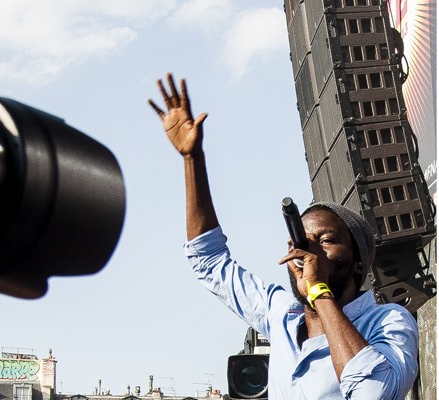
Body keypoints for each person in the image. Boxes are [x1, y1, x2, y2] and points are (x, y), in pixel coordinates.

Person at [148, 73, 419, 399]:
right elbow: (209, 260)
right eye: (301, 242)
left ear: (359, 263)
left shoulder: (387, 322)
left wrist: (319, 291)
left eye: (326, 241)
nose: (309, 252)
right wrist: (192, 159)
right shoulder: (281, 315)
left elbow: (373, 392)